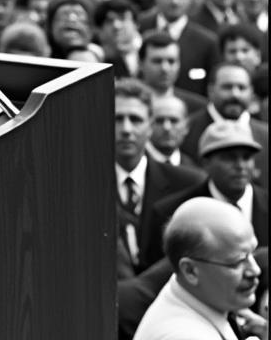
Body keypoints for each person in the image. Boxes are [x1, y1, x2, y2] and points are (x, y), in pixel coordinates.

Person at [143, 121, 269, 271]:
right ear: (205, 163)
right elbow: (155, 277)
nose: (240, 165)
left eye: (247, 157)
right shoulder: (172, 213)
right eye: (229, 158)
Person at [133, 198, 265, 340]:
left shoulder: (191, 294)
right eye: (237, 262)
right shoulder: (184, 335)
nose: (255, 270)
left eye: (252, 253)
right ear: (190, 271)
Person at [112, 79, 204, 278]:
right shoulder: (85, 186)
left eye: (135, 119)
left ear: (150, 126)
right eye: (118, 119)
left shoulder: (188, 183)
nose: (126, 129)